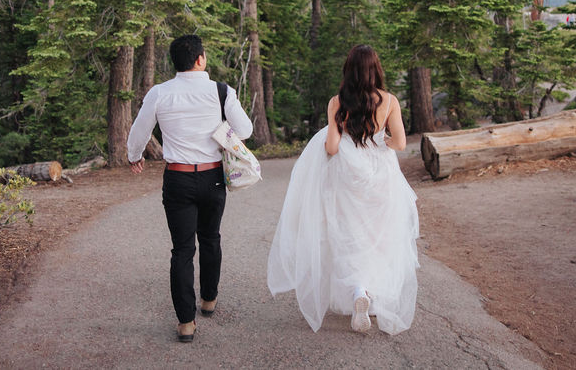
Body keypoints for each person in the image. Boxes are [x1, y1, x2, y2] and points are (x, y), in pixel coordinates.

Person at [267, 44, 419, 335]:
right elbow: (400, 143)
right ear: (376, 69)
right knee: (378, 236)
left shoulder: (338, 102)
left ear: (348, 70)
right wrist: (378, 143)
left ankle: (358, 290)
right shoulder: (390, 101)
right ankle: (369, 295)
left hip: (347, 175)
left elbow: (332, 148)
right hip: (380, 176)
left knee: (347, 234)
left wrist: (345, 138)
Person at [126, 34, 254, 343]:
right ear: (200, 59)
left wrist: (135, 157)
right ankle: (208, 299)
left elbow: (139, 130)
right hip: (212, 178)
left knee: (182, 249)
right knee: (210, 238)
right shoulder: (221, 91)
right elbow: (246, 130)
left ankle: (186, 322)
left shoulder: (160, 93)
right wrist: (220, 131)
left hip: (178, 179)